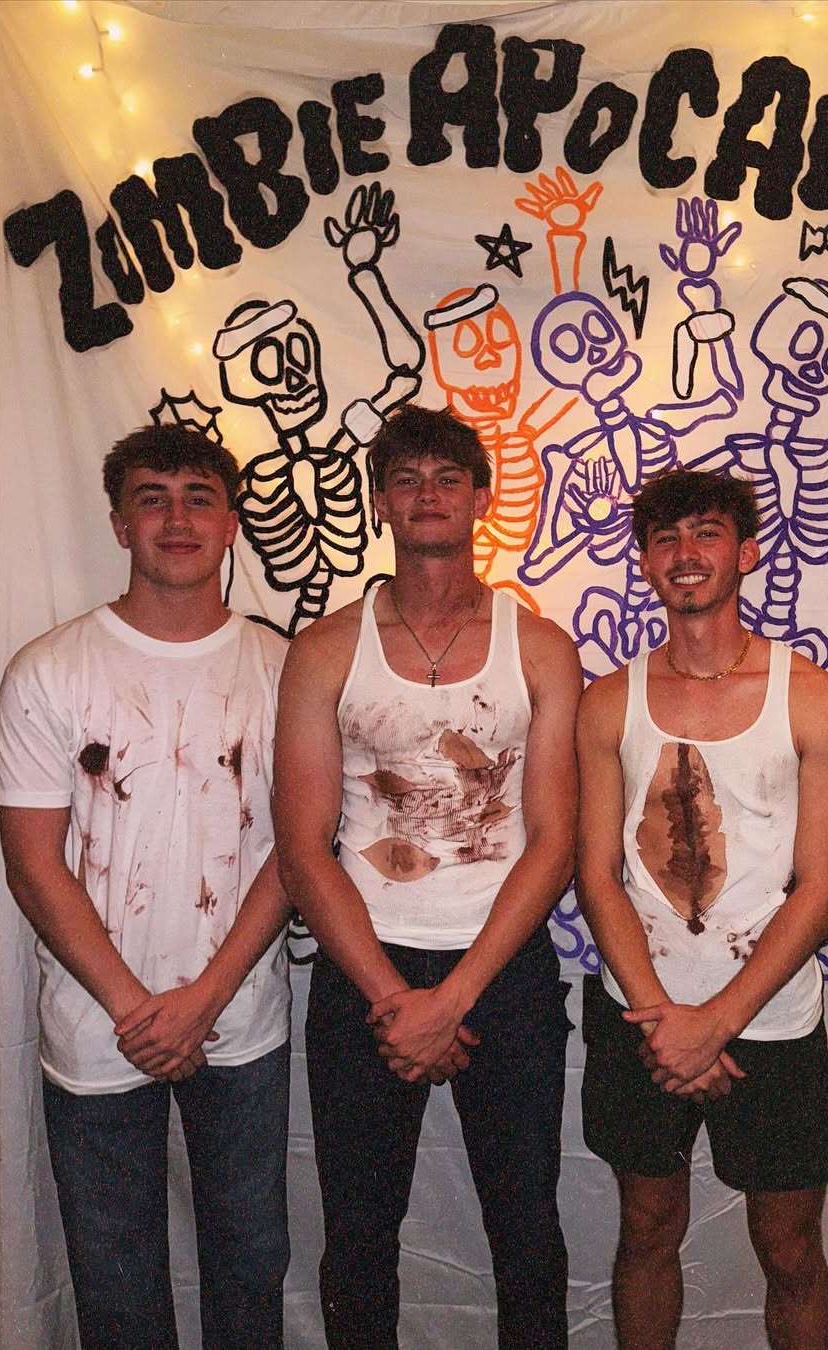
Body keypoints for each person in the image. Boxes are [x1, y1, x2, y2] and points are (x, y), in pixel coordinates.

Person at [273, 404, 581, 1349]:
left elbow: (555, 841)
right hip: (366, 969)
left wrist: (455, 998)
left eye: (449, 478)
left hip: (504, 968)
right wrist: (393, 999)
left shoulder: (540, 648)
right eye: (405, 480)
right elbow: (302, 845)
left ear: (482, 499)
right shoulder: (326, 648)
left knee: (527, 1236)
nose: (428, 495)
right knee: (359, 1241)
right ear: (380, 503)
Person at [0, 424, 293, 1349]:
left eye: (200, 497)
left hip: (239, 1020)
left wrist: (204, 1000)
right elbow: (32, 863)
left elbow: (299, 852)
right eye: (152, 499)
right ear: (120, 524)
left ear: (232, 523)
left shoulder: (285, 667)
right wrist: (137, 1011)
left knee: (250, 1272)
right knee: (115, 1287)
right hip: (97, 1026)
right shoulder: (49, 668)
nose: (177, 519)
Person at [577, 468, 828, 1350]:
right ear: (645, 563)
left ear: (747, 553)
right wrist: (665, 1021)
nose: (685, 552)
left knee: (791, 1248)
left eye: (706, 532)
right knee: (646, 1228)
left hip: (769, 1020)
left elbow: (822, 887)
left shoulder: (813, 697)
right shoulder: (608, 700)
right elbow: (597, 874)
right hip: (640, 1013)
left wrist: (716, 1024)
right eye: (665, 538)